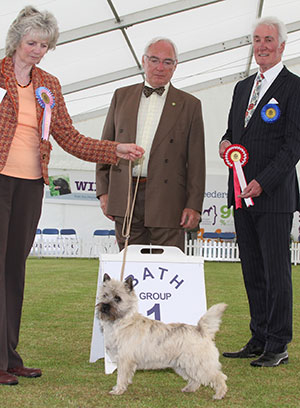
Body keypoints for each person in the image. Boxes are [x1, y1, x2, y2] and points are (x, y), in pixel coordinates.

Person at [0, 6, 144, 386]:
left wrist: (116, 149)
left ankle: (9, 355)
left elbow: (70, 138)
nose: (37, 51)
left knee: (14, 271)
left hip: (30, 184)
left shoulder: (49, 84)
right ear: (16, 40)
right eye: (31, 43)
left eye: (44, 45)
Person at [219, 16, 300, 367]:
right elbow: (232, 131)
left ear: (282, 45)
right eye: (256, 39)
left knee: (275, 271)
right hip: (241, 194)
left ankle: (278, 343)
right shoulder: (242, 88)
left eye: (268, 39)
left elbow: (293, 145)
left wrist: (263, 181)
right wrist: (225, 144)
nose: (262, 46)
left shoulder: (293, 88)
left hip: (274, 195)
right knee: (252, 269)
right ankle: (259, 335)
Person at [96, 37, 205, 252]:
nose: (160, 67)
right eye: (154, 60)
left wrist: (193, 205)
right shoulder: (121, 96)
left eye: (167, 62)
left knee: (167, 266)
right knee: (129, 269)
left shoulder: (190, 105)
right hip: (125, 195)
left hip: (169, 200)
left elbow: (196, 161)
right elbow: (105, 147)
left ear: (175, 66)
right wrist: (103, 192)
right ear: (143, 61)